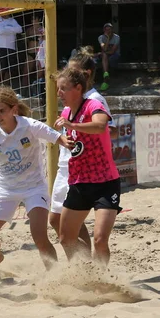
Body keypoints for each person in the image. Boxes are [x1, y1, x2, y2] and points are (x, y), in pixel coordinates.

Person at [0, 86, 73, 274]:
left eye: (2, 111)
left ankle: (56, 277)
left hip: (34, 187)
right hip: (5, 188)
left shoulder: (29, 125)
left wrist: (67, 142)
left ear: (13, 110)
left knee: (40, 238)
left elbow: (57, 137)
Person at [48, 51, 117, 258]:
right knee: (60, 228)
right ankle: (83, 268)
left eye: (62, 88)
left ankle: (99, 277)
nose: (58, 93)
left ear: (81, 82)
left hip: (103, 179)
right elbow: (72, 137)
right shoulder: (66, 111)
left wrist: (74, 126)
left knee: (100, 239)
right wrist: (65, 139)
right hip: (77, 177)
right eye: (57, 88)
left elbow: (104, 127)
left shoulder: (94, 101)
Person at [0, 15, 22, 86]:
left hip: (11, 47)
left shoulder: (13, 20)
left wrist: (7, 28)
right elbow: (1, 31)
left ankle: (5, 89)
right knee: (1, 68)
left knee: (10, 69)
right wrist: (12, 29)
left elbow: (20, 29)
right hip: (1, 47)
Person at [95, 23, 121, 91]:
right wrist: (108, 39)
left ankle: (105, 78)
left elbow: (112, 51)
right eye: (106, 30)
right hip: (105, 55)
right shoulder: (100, 37)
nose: (108, 31)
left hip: (114, 54)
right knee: (103, 56)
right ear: (104, 31)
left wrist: (103, 52)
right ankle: (105, 76)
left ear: (112, 30)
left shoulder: (117, 37)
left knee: (106, 56)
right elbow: (104, 49)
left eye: (110, 30)